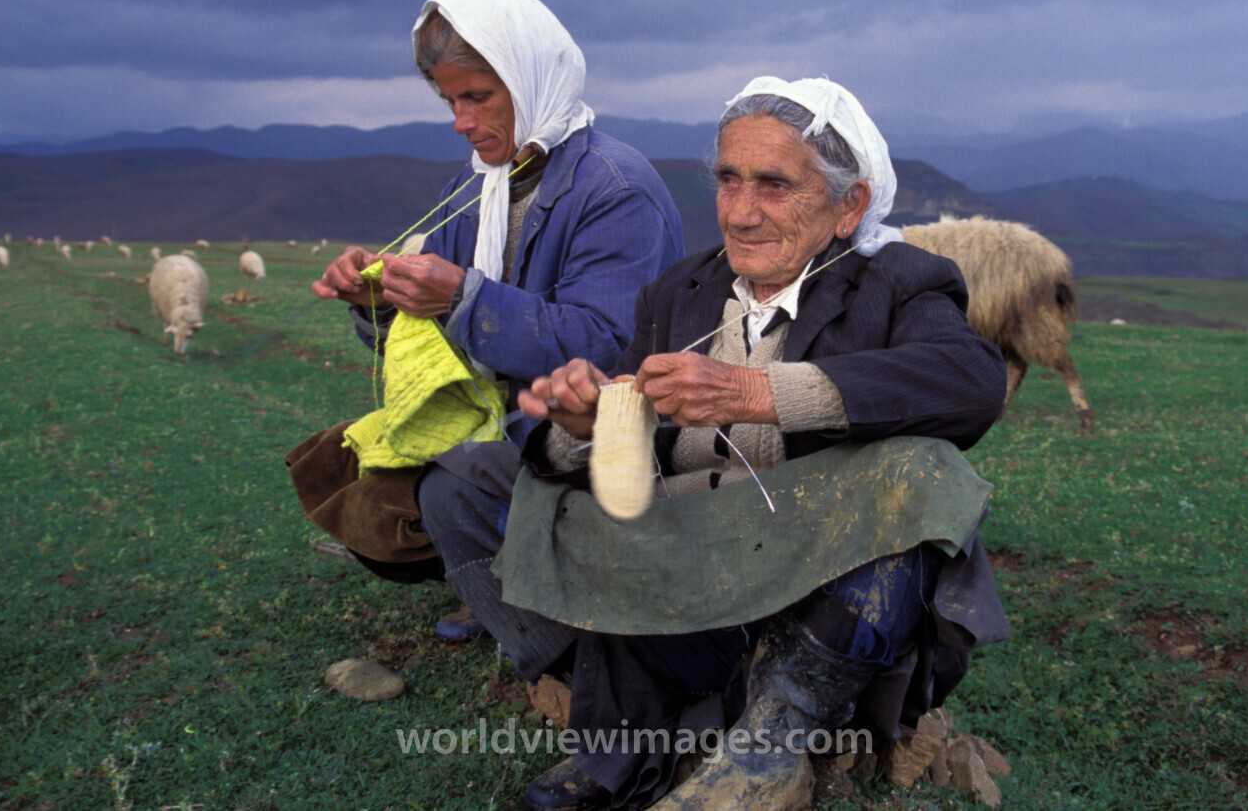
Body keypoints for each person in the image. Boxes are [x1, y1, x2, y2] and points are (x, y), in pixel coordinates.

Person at [416, 76, 1010, 810]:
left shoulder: (899, 283)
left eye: (774, 184)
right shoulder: (679, 290)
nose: (741, 210)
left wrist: (755, 392)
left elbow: (973, 381)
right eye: (729, 179)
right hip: (680, 585)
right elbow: (637, 452)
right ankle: (623, 714)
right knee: (466, 481)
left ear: (849, 205)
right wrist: (592, 428)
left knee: (919, 470)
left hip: (805, 607)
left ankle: (770, 745)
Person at [290, 0, 684, 641]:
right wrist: (381, 304)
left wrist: (461, 299)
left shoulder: (616, 190)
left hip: (596, 428)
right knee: (350, 467)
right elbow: (431, 335)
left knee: (445, 488)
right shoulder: (471, 190)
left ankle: (560, 652)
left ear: (531, 79)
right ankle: (499, 576)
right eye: (450, 101)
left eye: (477, 96)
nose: (461, 121)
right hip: (496, 417)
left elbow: (609, 344)